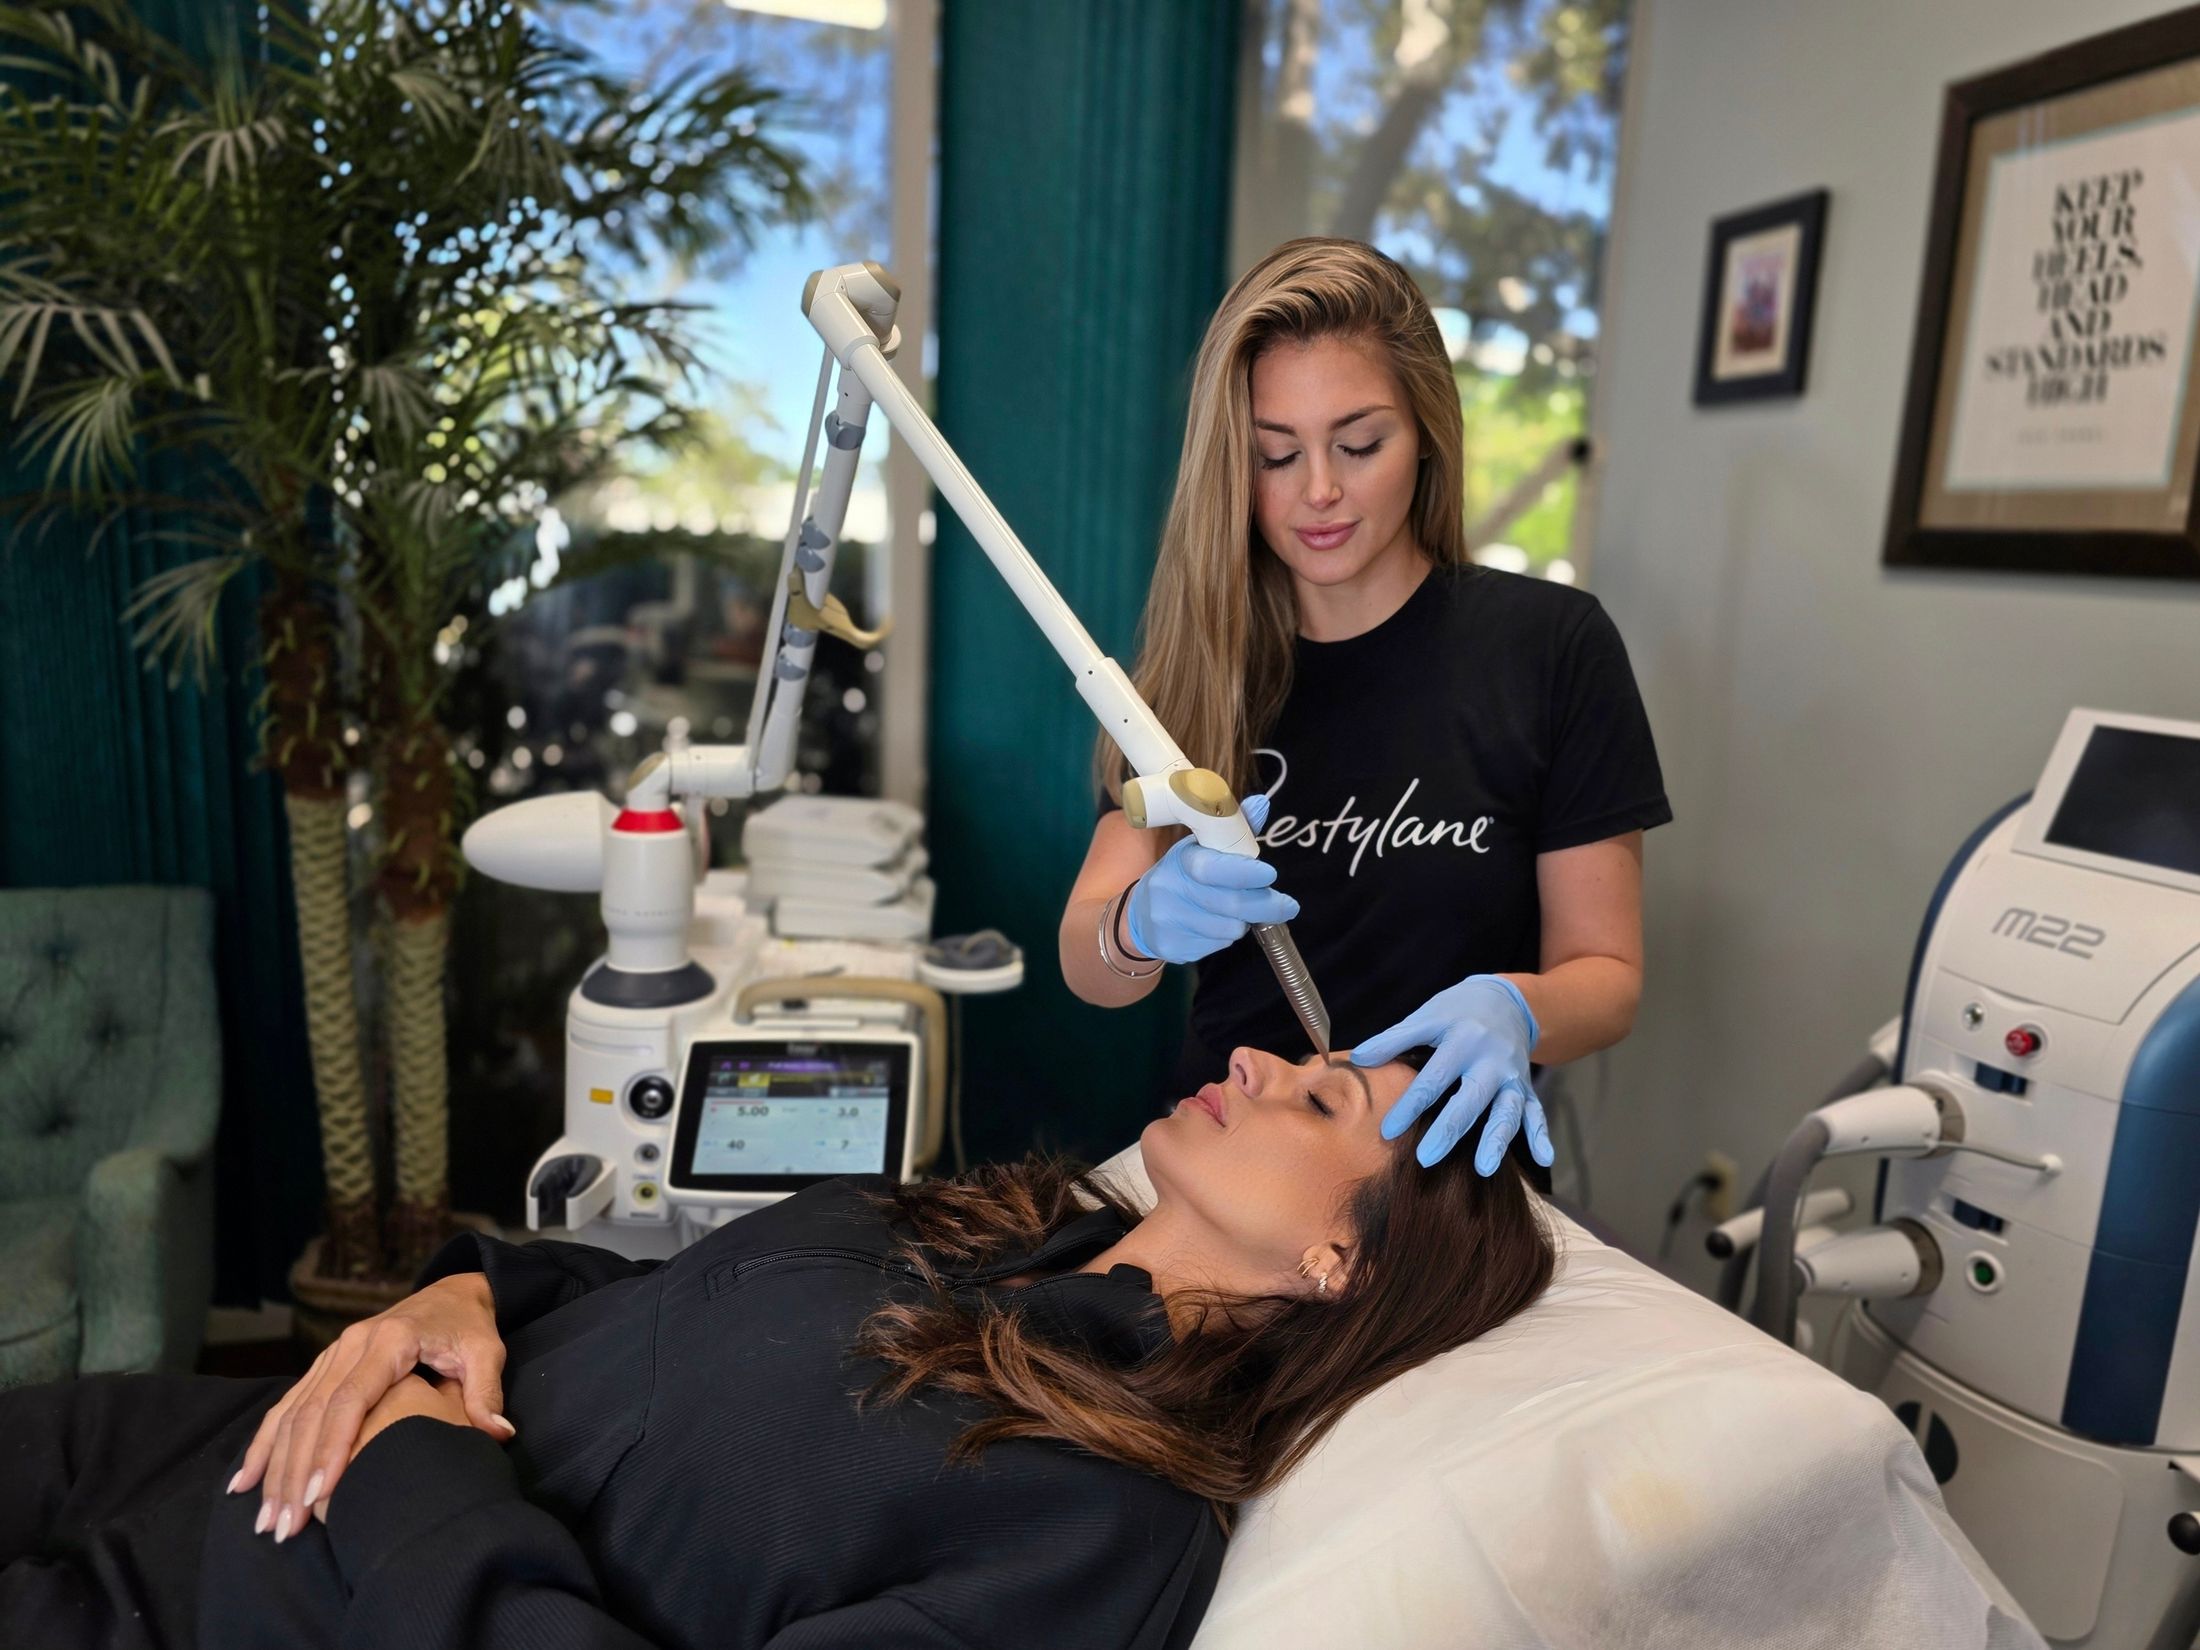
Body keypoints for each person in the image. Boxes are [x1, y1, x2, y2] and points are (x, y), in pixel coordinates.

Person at [0, 1044, 1553, 1650]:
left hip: (273, 1602)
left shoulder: (1101, 1517)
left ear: (1337, 1258)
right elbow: (646, 1298)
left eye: (1322, 1100)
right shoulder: (1003, 1216)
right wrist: (464, 1291)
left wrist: (416, 1465)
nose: (1257, 1057)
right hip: (213, 1447)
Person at [1061, 236, 1671, 1177]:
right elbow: (1086, 963)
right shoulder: (1196, 671)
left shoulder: (1552, 650)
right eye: (1275, 455)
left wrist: (1518, 1006)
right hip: (1233, 1167)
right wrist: (1136, 927)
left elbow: (1609, 979)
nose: (1320, 491)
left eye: (1359, 443)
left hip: (1444, 1195)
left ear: (1425, 432)